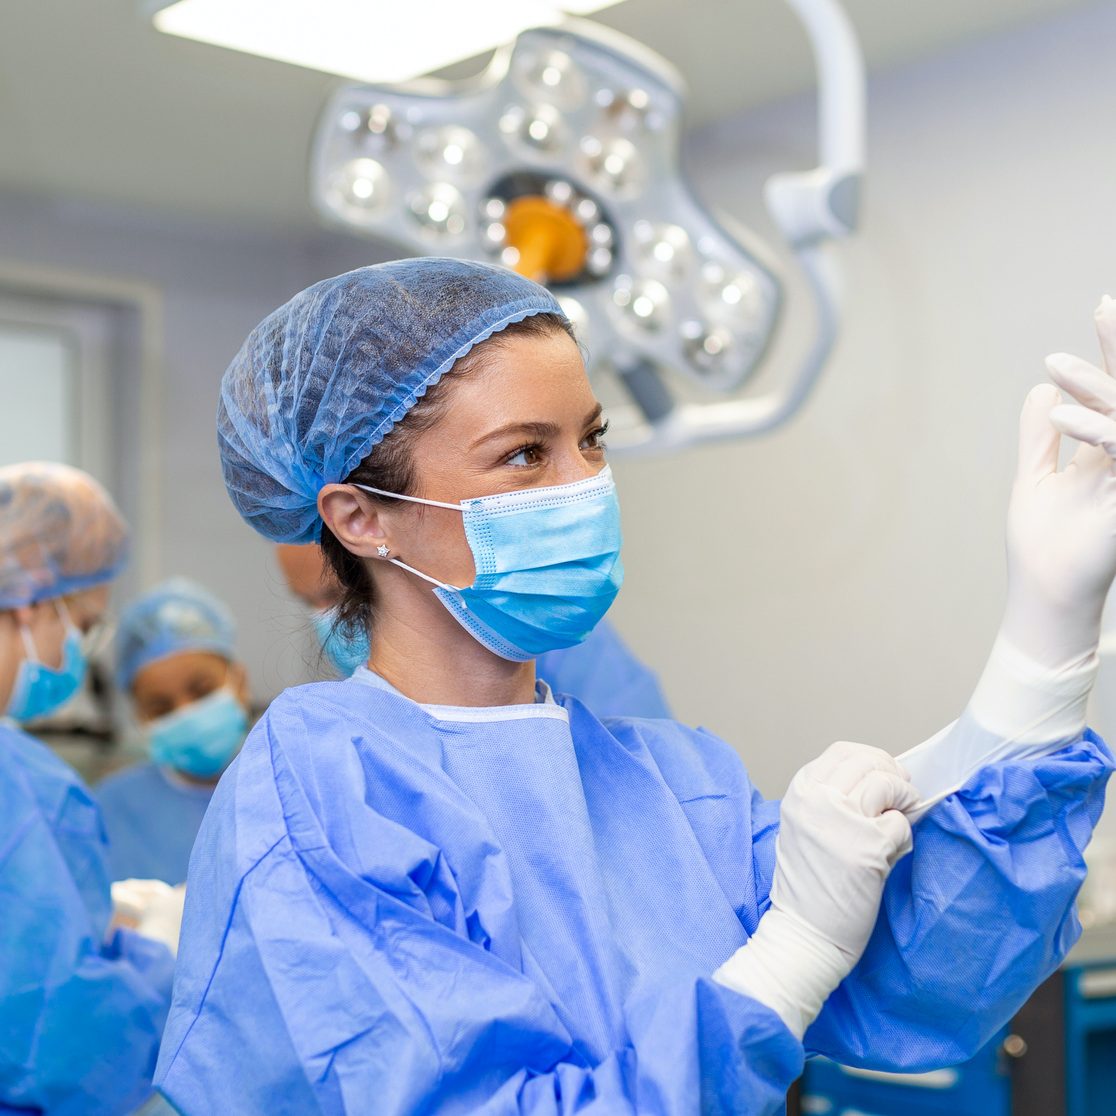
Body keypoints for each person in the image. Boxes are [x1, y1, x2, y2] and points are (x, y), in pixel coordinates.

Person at [156, 261, 1114, 1115]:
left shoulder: (665, 778)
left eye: (592, 440)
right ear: (363, 518)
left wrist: (1045, 633)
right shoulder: (325, 790)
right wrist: (791, 955)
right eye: (525, 454)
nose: (583, 487)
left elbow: (930, 975)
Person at [0, 462, 180, 1115]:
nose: (80, 647)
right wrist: (158, 956)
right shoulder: (20, 786)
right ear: (31, 604)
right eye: (83, 623)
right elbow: (63, 1051)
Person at [277, 540, 672, 716]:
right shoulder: (354, 717)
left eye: (336, 594)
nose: (327, 618)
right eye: (309, 602)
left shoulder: (539, 632)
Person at [96, 578, 251, 884]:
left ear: (239, 682)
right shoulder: (113, 808)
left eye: (203, 691)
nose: (186, 712)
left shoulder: (288, 784)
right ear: (140, 717)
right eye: (161, 707)